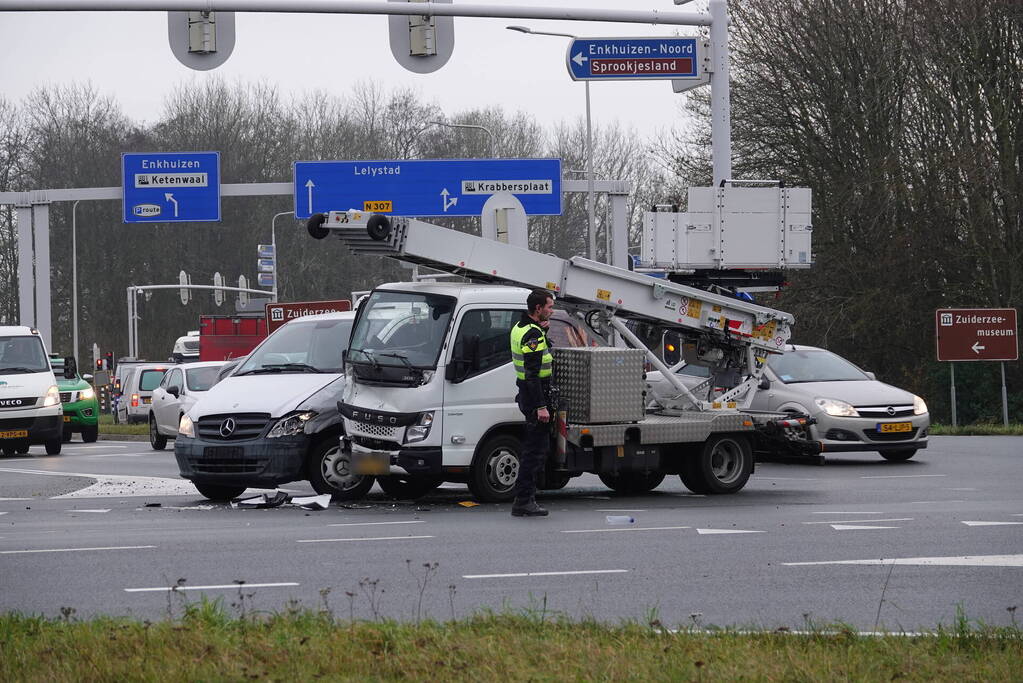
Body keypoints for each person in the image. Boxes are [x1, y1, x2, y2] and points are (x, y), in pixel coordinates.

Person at [508, 289, 555, 517]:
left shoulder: (522, 328)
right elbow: (533, 373)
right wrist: (541, 406)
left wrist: (542, 332)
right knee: (535, 451)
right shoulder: (532, 335)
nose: (551, 311)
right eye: (549, 307)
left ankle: (527, 498)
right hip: (536, 395)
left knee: (537, 449)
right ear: (538, 309)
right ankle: (524, 500)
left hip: (527, 393)